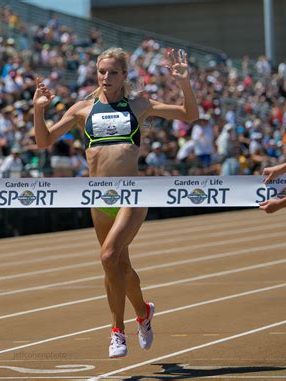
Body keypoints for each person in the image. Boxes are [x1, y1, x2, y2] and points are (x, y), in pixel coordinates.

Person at [33, 47, 198, 358]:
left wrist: (185, 84)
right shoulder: (82, 109)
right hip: (99, 198)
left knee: (108, 256)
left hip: (132, 194)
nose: (106, 77)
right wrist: (38, 110)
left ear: (125, 76)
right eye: (102, 72)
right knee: (120, 264)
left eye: (113, 72)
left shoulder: (138, 104)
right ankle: (144, 311)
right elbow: (43, 141)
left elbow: (190, 115)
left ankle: (117, 331)